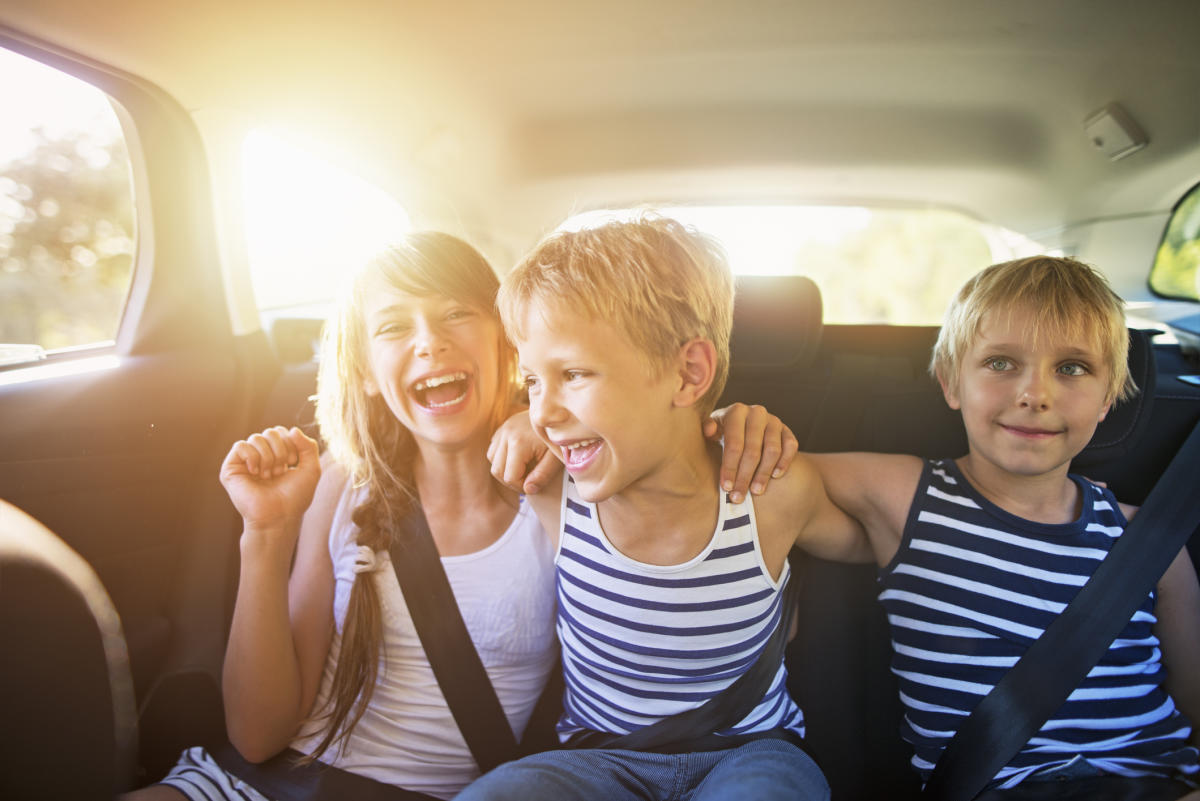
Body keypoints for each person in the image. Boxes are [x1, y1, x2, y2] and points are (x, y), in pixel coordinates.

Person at [126, 232, 795, 801]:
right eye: (394, 326)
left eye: (455, 315)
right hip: (245, 783)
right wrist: (265, 533)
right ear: (364, 369)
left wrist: (730, 423)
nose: (429, 343)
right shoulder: (339, 486)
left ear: (511, 348)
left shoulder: (572, 489)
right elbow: (257, 733)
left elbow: (661, 450)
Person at [457, 216, 869, 801]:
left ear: (688, 373)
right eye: (532, 382)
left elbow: (874, 537)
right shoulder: (550, 488)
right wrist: (518, 419)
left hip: (749, 753)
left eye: (573, 374)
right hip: (595, 761)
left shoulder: (768, 493)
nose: (545, 412)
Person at [806, 256, 1200, 798]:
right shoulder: (907, 498)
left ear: (1108, 397)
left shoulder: (1147, 540)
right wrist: (745, 427)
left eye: (1072, 368)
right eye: (1000, 363)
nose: (1034, 394)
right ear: (951, 382)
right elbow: (772, 474)